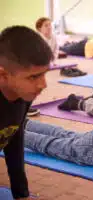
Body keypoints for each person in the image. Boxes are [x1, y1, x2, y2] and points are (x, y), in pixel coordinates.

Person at [0, 26, 53, 199]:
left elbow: (14, 139)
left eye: (44, 74)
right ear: (3, 75)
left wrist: (21, 193)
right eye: (33, 77)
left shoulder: (24, 93)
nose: (43, 85)